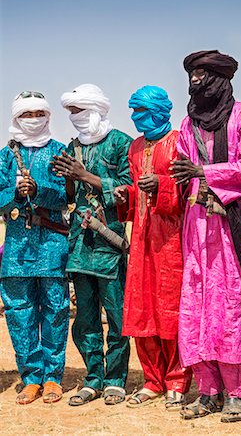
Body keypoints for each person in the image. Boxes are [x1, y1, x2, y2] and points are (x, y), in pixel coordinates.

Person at [171, 50, 241, 422]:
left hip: (229, 223)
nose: (196, 82)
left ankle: (238, 394)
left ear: (220, 81)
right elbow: (180, 168)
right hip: (196, 225)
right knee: (196, 306)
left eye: (203, 75)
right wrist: (188, 176)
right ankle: (208, 390)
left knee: (230, 306)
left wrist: (205, 172)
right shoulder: (187, 123)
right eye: (192, 75)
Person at [53, 84, 132, 406]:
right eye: (71, 113)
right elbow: (70, 199)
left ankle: (115, 380)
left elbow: (128, 191)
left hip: (110, 241)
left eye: (80, 111)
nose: (75, 118)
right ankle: (93, 378)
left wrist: (86, 175)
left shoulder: (121, 143)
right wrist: (69, 179)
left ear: (97, 109)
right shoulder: (73, 146)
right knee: (85, 318)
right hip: (80, 244)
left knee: (115, 316)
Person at [114, 85, 192, 411]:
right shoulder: (134, 147)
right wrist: (127, 196)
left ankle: (177, 380)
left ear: (159, 111)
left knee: (170, 310)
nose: (135, 118)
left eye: (141, 111)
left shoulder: (178, 142)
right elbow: (136, 191)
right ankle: (152, 380)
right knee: (142, 307)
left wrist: (161, 185)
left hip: (172, 237)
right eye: (133, 111)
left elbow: (189, 189)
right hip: (142, 236)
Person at [0, 91, 69, 404]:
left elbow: (67, 195)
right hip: (16, 245)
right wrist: (14, 193)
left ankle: (54, 376)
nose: (33, 119)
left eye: (38, 113)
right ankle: (31, 376)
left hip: (53, 243)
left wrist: (40, 190)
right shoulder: (5, 155)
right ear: (16, 117)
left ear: (47, 116)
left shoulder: (59, 151)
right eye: (26, 114)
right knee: (19, 311)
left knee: (56, 309)